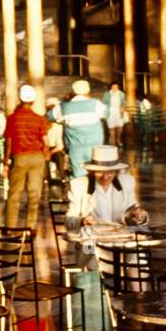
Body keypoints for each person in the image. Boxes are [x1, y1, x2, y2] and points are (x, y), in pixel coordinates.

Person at [53, 79, 108, 225]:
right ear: (88, 91)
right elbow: (106, 113)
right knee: (95, 181)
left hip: (75, 150)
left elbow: (51, 116)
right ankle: (90, 214)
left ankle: (75, 218)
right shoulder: (95, 104)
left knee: (77, 182)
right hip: (95, 150)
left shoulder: (63, 107)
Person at [3, 85, 49, 229]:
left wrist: (6, 162)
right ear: (33, 100)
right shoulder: (39, 119)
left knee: (14, 193)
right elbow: (45, 142)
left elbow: (9, 143)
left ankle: (10, 227)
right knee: (34, 193)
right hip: (37, 157)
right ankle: (30, 226)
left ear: (19, 98)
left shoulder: (12, 118)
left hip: (20, 157)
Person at [80, 145, 147, 228]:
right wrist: (82, 221)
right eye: (100, 172)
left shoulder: (126, 182)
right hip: (92, 237)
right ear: (92, 171)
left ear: (116, 172)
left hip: (120, 236)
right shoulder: (80, 185)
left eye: (110, 172)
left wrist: (138, 216)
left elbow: (131, 213)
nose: (105, 177)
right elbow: (69, 221)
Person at [103, 81, 127, 146]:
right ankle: (112, 141)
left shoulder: (121, 94)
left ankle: (118, 139)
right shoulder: (107, 94)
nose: (115, 88)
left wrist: (123, 107)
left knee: (120, 127)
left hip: (119, 112)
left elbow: (124, 102)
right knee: (111, 127)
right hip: (110, 112)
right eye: (113, 86)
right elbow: (104, 102)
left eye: (116, 86)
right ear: (111, 87)